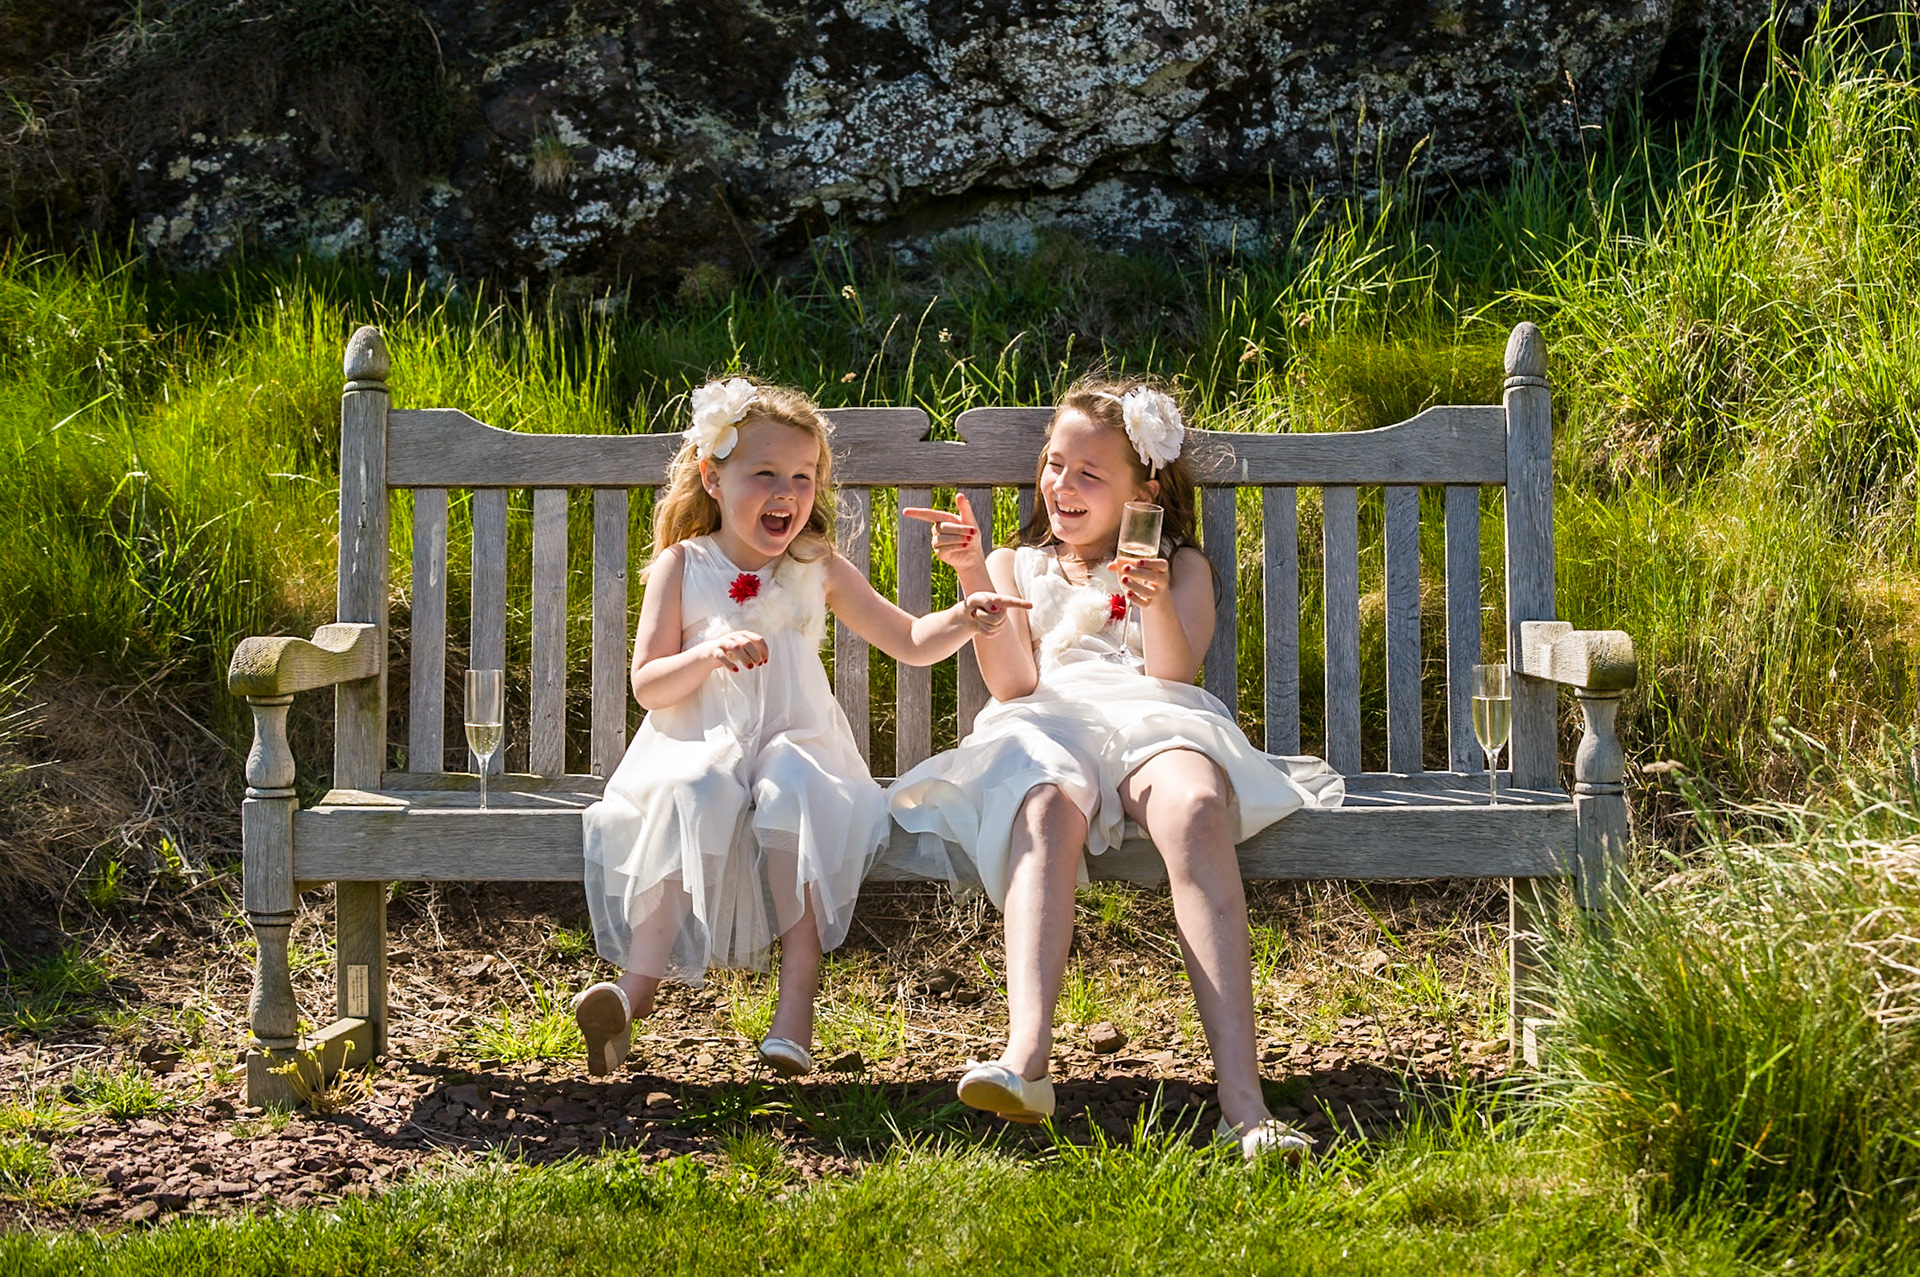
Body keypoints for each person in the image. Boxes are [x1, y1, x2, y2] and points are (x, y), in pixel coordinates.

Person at [890, 378, 1343, 1160]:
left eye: (1088, 474)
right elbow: (1013, 684)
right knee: (1043, 804)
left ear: (1147, 489)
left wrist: (1159, 600)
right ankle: (1027, 1058)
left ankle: (1245, 1103)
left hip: (1150, 715)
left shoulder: (1181, 566)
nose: (1061, 486)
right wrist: (973, 576)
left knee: (1197, 803)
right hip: (1047, 721)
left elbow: (1173, 672)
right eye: (1053, 465)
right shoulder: (1017, 563)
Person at [574, 377, 1028, 1080]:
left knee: (788, 782)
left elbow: (908, 638)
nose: (787, 492)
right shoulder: (682, 566)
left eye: (803, 476)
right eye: (765, 474)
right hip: (698, 745)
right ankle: (634, 994)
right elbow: (647, 683)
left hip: (798, 745)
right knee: (690, 788)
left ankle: (797, 1005)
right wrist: (707, 652)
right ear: (712, 477)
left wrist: (968, 613)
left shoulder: (816, 566)